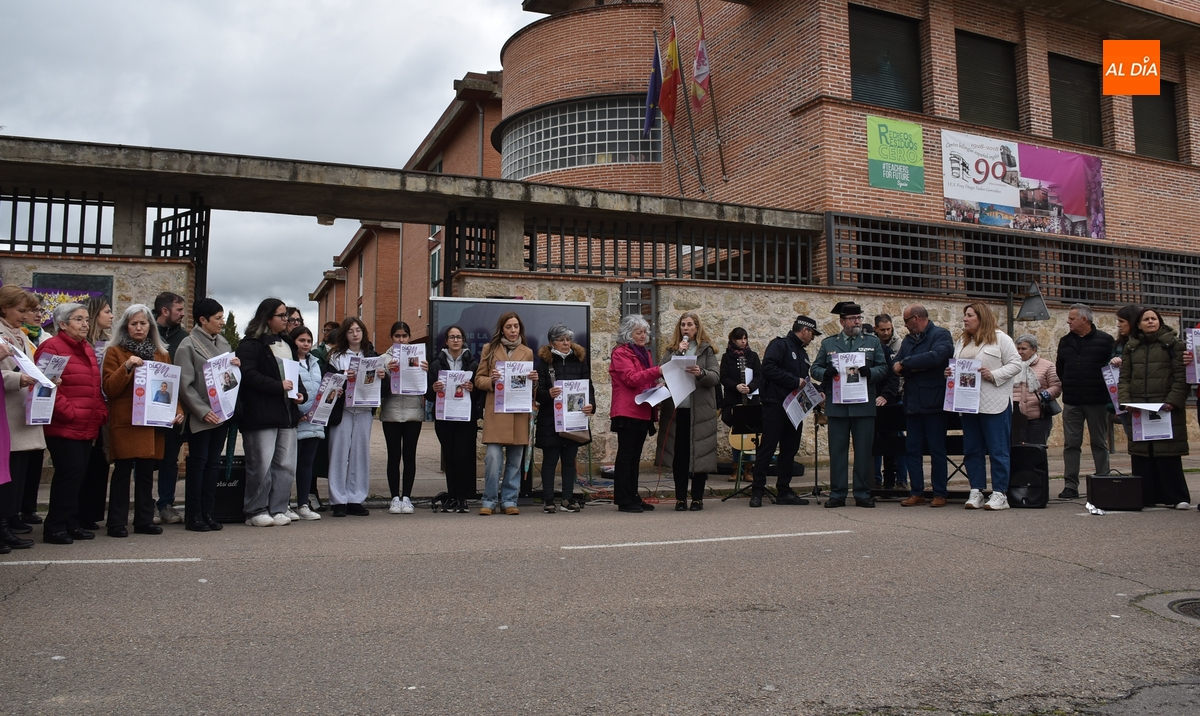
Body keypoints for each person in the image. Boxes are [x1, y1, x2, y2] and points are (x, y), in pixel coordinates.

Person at [102, 304, 184, 537]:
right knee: (123, 471)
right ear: (126, 327)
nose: (139, 328)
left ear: (151, 326)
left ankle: (143, 520)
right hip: (127, 421)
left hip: (152, 422)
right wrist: (127, 366)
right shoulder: (115, 352)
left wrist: (177, 410)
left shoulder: (162, 353)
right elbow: (110, 388)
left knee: (147, 472)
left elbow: (172, 388)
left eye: (143, 323)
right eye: (134, 323)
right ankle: (116, 522)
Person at [35, 302, 108, 544]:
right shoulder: (51, 348)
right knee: (68, 475)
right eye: (78, 319)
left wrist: (99, 412)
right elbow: (44, 386)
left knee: (79, 476)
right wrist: (71, 412)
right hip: (64, 425)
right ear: (63, 324)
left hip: (87, 424)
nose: (85, 324)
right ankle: (54, 526)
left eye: (86, 319)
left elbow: (93, 386)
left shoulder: (85, 348)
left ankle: (72, 523)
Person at [235, 299, 307, 527]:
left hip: (287, 414)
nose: (287, 320)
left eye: (287, 315)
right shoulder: (250, 345)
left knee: (286, 465)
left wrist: (300, 393)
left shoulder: (287, 344)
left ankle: (278, 508)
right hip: (260, 415)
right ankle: (255, 510)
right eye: (282, 316)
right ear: (268, 318)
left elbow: (296, 377)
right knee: (261, 465)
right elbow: (248, 375)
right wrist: (279, 386)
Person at [810, 302, 887, 508]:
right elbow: (815, 368)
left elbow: (883, 367)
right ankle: (837, 493)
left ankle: (862, 493)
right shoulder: (829, 343)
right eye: (853, 319)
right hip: (838, 405)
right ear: (842, 321)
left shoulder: (872, 341)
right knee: (838, 451)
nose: (858, 322)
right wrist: (824, 373)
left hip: (863, 405)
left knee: (863, 451)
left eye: (859, 318)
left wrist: (870, 373)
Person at [949, 303, 1022, 511]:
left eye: (969, 315)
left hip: (994, 402)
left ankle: (1000, 493)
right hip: (968, 403)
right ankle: (977, 490)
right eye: (964, 315)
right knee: (972, 449)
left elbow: (1016, 364)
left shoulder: (1001, 339)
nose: (965, 319)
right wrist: (950, 372)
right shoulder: (962, 342)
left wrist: (994, 374)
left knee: (998, 449)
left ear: (982, 317)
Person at [175, 297, 239, 532]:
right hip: (202, 415)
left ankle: (209, 512)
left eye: (223, 318)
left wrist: (235, 366)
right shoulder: (188, 345)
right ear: (203, 320)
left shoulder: (222, 342)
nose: (222, 322)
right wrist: (202, 412)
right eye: (218, 318)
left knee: (213, 465)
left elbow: (227, 378)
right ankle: (194, 515)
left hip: (221, 412)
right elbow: (185, 385)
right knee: (198, 465)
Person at [1118, 307, 1191, 509]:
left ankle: (1176, 497)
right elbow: (1124, 378)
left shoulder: (1174, 345)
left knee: (1167, 452)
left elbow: (1181, 378)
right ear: (1139, 324)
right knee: (1143, 453)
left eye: (1154, 319)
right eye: (1146, 319)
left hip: (1166, 407)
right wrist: (1126, 402)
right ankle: (1145, 497)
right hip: (1139, 408)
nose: (1151, 322)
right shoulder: (1131, 347)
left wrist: (1172, 401)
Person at [748, 316, 820, 507]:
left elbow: (805, 380)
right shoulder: (780, 345)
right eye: (812, 333)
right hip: (775, 405)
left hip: (795, 408)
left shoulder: (802, 353)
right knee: (767, 448)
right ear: (804, 330)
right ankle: (757, 490)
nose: (813, 338)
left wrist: (818, 391)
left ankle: (784, 490)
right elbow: (768, 368)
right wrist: (794, 381)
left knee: (789, 449)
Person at [474, 312, 538, 516]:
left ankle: (510, 500)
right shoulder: (489, 349)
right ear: (502, 328)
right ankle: (489, 500)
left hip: (518, 413)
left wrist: (534, 380)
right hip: (497, 412)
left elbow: (531, 388)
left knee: (514, 461)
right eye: (509, 327)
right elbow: (478, 379)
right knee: (493, 459)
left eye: (516, 327)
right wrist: (491, 381)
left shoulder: (527, 352)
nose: (513, 330)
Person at [658, 312, 720, 511]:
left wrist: (700, 373)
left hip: (699, 411)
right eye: (683, 324)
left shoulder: (706, 350)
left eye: (690, 324)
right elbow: (660, 371)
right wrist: (677, 353)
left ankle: (697, 498)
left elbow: (715, 377)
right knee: (680, 456)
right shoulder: (672, 350)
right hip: (678, 410)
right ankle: (680, 498)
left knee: (699, 455)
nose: (686, 328)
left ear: (697, 328)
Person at [893, 305, 954, 507]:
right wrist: (915, 365)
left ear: (916, 318)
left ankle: (940, 493)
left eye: (906, 321)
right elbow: (896, 364)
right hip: (912, 403)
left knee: (937, 450)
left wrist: (908, 364)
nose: (905, 326)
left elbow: (936, 357)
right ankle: (916, 491)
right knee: (912, 450)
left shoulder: (940, 335)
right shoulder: (909, 340)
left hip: (934, 402)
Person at [1055, 303, 1115, 499]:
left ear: (1084, 320)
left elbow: (1111, 369)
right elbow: (1060, 368)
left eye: (1072, 319)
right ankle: (1070, 485)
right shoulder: (1065, 341)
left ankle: (1103, 479)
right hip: (1072, 400)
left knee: (1099, 442)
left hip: (1096, 400)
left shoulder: (1105, 341)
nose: (1068, 322)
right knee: (1071, 444)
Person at [535, 323, 594, 513]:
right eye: (561, 340)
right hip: (550, 419)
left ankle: (568, 499)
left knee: (569, 461)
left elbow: (588, 387)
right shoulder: (544, 363)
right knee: (550, 461)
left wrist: (591, 405)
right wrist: (548, 394)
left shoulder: (579, 361)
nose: (566, 343)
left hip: (574, 419)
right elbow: (536, 393)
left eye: (568, 339)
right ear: (552, 343)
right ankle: (548, 499)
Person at [608, 314, 663, 513]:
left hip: (642, 408)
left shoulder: (643, 353)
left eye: (645, 332)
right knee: (626, 455)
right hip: (627, 410)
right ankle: (623, 499)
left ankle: (633, 495)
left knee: (635, 456)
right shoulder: (620, 353)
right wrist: (658, 371)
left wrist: (658, 386)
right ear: (628, 334)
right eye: (638, 332)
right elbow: (631, 379)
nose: (643, 336)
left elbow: (645, 380)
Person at [324, 316, 379, 517]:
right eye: (350, 331)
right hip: (343, 410)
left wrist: (382, 375)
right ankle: (338, 500)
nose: (355, 334)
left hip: (364, 410)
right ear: (344, 334)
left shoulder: (372, 355)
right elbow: (328, 381)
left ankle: (356, 498)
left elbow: (382, 385)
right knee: (338, 454)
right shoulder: (335, 357)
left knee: (360, 454)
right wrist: (342, 377)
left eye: (358, 330)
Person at [0, 286, 41, 549]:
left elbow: (30, 364)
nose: (25, 315)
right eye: (20, 310)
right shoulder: (2, 334)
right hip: (8, 410)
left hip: (23, 408)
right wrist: (18, 378)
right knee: (8, 473)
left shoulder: (21, 335)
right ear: (4, 308)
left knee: (20, 471)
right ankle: (3, 524)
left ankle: (11, 517)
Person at [428, 325, 479, 513]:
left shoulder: (473, 364)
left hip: (466, 418)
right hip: (444, 418)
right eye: (452, 337)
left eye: (459, 337)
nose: (456, 340)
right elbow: (428, 395)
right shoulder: (436, 365)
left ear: (463, 340)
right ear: (446, 341)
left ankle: (462, 498)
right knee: (450, 458)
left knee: (462, 457)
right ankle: (452, 497)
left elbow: (480, 394)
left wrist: (474, 389)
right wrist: (433, 389)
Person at [78, 295, 115, 531]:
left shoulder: (107, 343)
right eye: (107, 312)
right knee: (84, 464)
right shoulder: (84, 345)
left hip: (104, 409)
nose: (111, 316)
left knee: (100, 463)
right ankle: (79, 513)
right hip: (85, 409)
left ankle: (92, 513)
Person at [382, 321, 425, 515]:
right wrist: (387, 371)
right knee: (393, 456)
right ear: (392, 337)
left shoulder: (419, 356)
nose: (401, 339)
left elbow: (427, 385)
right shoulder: (383, 358)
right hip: (391, 412)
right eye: (397, 336)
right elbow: (378, 388)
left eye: (404, 336)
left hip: (413, 412)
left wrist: (425, 370)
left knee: (409, 456)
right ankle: (394, 497)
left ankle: (406, 497)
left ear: (409, 337)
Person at [153, 291, 187, 525]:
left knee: (170, 460)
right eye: (179, 310)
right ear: (165, 311)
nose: (183, 314)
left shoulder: (184, 338)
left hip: (175, 408)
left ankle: (166, 504)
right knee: (143, 459)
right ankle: (145, 505)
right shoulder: (147, 334)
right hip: (149, 405)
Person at [290, 325, 324, 520]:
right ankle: (283, 503)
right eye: (302, 340)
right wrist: (296, 413)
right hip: (296, 420)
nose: (306, 344)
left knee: (306, 465)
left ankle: (303, 504)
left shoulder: (316, 363)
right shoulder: (289, 363)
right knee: (288, 465)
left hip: (314, 421)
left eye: (309, 341)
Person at [719, 327, 762, 473]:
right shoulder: (727, 357)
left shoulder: (753, 356)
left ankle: (749, 468)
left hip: (751, 400)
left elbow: (759, 376)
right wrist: (736, 386)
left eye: (745, 338)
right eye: (739, 339)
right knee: (736, 432)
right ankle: (736, 467)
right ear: (733, 340)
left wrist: (750, 387)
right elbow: (723, 377)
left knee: (750, 433)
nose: (743, 341)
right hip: (734, 400)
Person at [873, 313, 907, 490]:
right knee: (877, 440)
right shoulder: (873, 345)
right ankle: (876, 479)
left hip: (896, 397)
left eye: (889, 329)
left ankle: (901, 479)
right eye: (882, 330)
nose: (886, 332)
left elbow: (897, 374)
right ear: (875, 329)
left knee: (898, 440)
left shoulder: (899, 344)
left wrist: (890, 394)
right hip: (880, 399)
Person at [1012, 334, 1062, 446]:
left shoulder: (1047, 366)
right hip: (1015, 418)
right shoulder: (1012, 366)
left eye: (1024, 349)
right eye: (1018, 349)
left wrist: (1046, 394)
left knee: (1037, 450)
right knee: (1016, 451)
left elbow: (1056, 386)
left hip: (1038, 417)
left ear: (1034, 349)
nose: (1020, 352)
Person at [1110, 304, 1144, 445]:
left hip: (1141, 397)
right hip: (1123, 399)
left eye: (1122, 321)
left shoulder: (1144, 343)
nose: (1118, 325)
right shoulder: (1119, 344)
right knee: (1132, 437)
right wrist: (1112, 361)